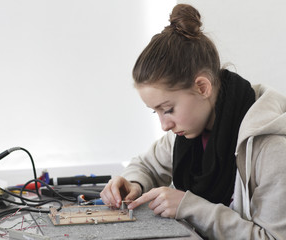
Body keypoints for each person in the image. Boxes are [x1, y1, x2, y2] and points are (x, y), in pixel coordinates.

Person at [100, 3, 286, 239]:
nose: (164, 125)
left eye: (167, 109)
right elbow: (146, 166)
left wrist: (190, 207)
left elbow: (272, 237)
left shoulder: (272, 149)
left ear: (202, 87)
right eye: (154, 112)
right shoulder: (188, 133)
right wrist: (132, 183)